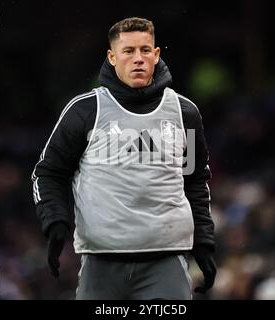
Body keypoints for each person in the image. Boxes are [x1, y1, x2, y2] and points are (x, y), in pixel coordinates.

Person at [31, 17, 216, 299]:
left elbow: (195, 180)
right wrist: (55, 220)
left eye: (145, 50)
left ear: (156, 55)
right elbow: (48, 173)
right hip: (101, 261)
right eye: (128, 51)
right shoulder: (85, 111)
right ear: (112, 57)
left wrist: (203, 241)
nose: (138, 59)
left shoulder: (184, 113)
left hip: (166, 260)